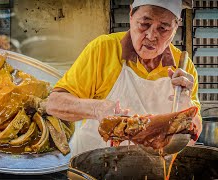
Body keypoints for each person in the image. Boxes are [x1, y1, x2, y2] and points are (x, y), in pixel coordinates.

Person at [46, 0, 202, 155]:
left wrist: (185, 102)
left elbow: (191, 139)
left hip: (153, 170)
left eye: (163, 28)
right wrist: (97, 109)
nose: (151, 35)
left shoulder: (184, 69)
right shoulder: (103, 49)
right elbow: (54, 103)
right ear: (131, 16)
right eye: (144, 24)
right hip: (92, 166)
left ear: (176, 27)